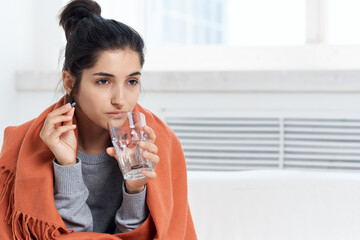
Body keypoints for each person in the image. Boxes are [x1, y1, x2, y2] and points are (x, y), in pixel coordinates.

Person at [0, 0, 197, 239]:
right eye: (103, 81)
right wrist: (67, 166)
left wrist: (136, 188)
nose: (120, 99)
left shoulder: (160, 145)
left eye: (131, 81)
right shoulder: (23, 146)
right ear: (70, 82)